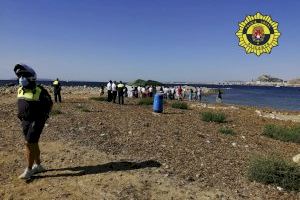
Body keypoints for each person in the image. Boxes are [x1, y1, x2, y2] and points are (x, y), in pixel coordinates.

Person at [14, 64, 53, 179]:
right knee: (34, 143)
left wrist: (43, 117)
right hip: (25, 121)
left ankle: (29, 170)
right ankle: (38, 165)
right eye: (20, 76)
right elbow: (22, 103)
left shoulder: (39, 90)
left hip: (36, 121)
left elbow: (49, 104)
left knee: (28, 144)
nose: (21, 78)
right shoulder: (20, 89)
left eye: (24, 75)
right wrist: (20, 114)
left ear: (31, 77)